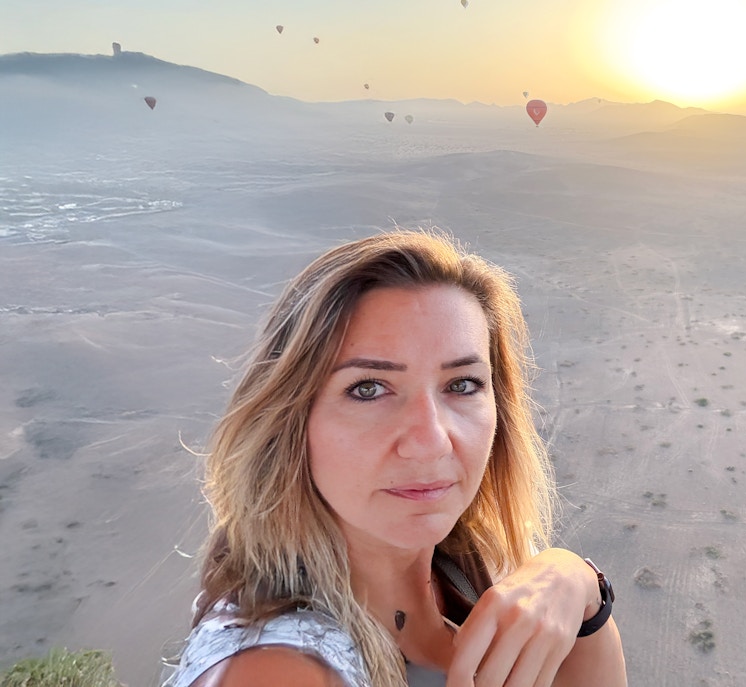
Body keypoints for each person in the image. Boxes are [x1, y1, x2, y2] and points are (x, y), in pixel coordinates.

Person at [165, 231, 626, 687]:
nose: (431, 442)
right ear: (290, 420)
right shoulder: (277, 670)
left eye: (462, 384)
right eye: (368, 389)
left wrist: (578, 584)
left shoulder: (473, 569)